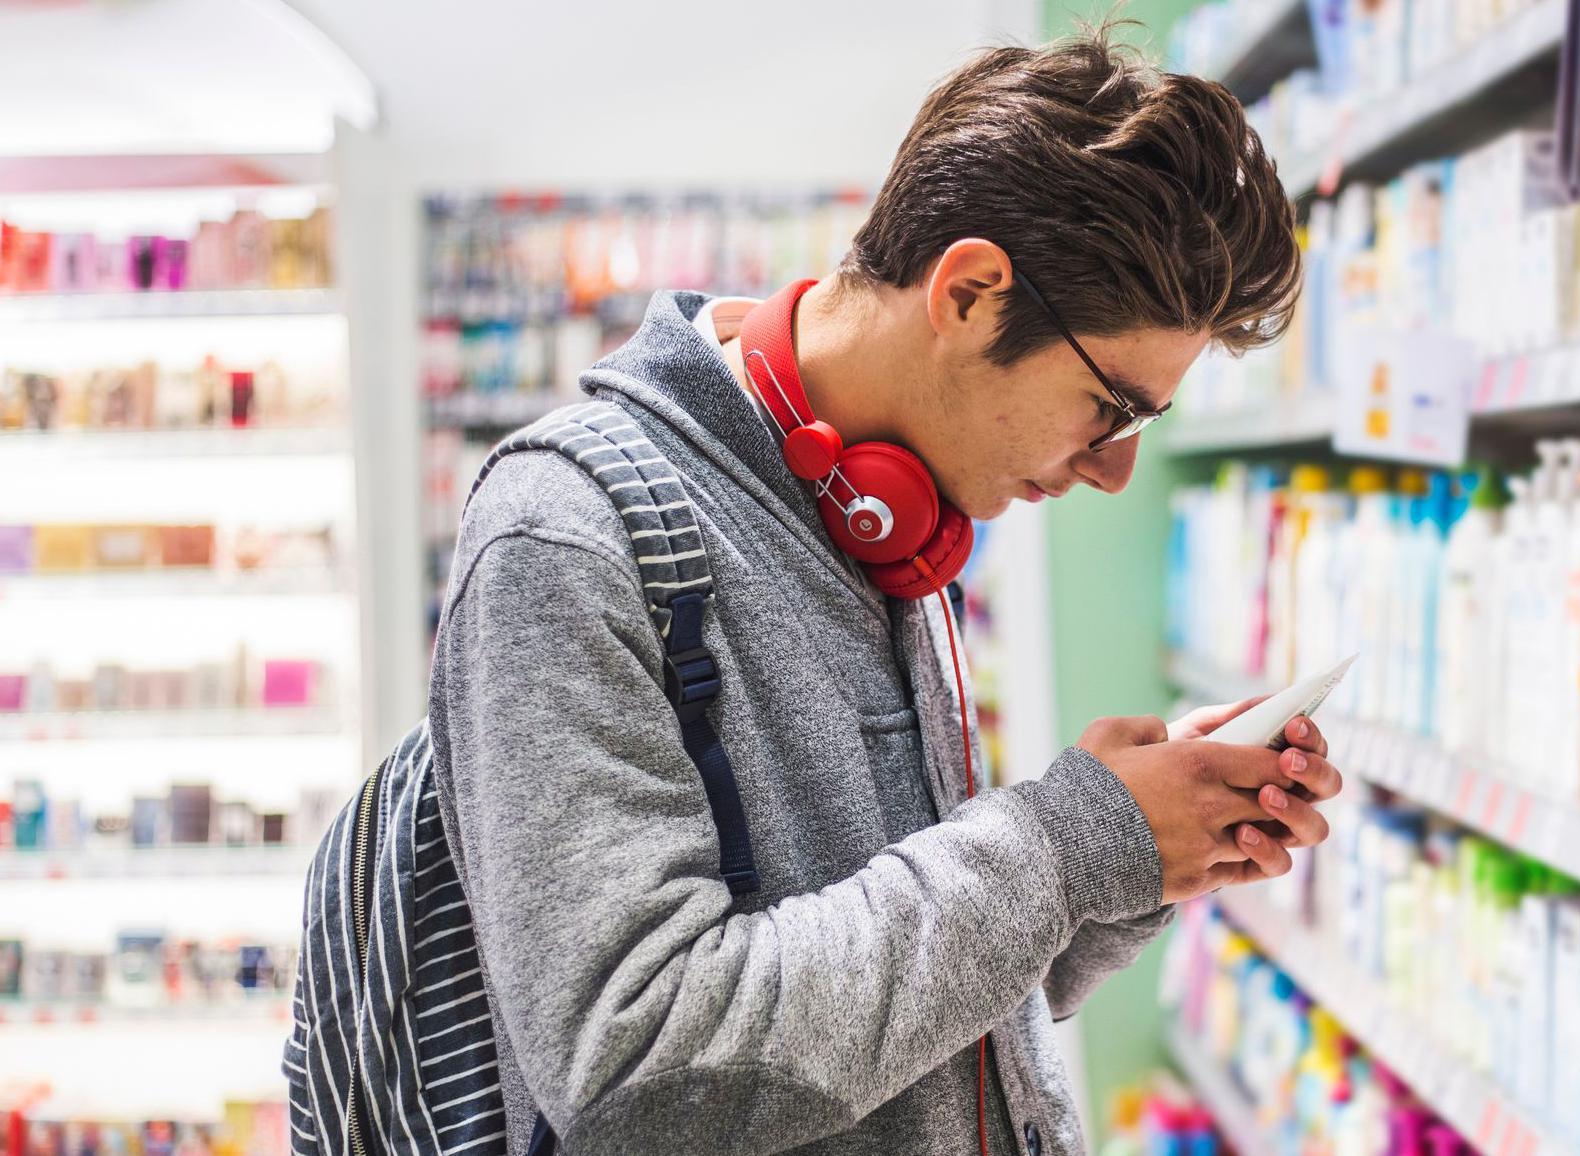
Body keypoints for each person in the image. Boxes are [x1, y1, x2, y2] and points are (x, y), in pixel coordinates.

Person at [430, 25, 1325, 1156]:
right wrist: (1063, 844)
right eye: (1114, 406)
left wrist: (1131, 856)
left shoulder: (890, 520)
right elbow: (640, 1075)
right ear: (971, 293)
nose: (1112, 469)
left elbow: (900, 1015)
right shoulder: (567, 535)